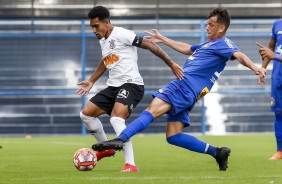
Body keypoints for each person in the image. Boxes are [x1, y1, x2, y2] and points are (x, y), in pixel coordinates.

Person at [92, 8, 266, 171]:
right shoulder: (209, 45)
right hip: (190, 92)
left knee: (151, 110)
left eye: (211, 25)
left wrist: (255, 67)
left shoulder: (224, 43)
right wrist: (164, 39)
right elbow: (187, 48)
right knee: (173, 135)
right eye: (207, 24)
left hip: (184, 85)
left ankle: (120, 140)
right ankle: (217, 152)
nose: (207, 27)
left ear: (221, 28)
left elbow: (239, 55)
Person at [76, 6, 183, 172]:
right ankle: (108, 148)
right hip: (113, 86)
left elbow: (149, 45)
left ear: (106, 22)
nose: (94, 30)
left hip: (132, 84)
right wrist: (91, 81)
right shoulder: (103, 40)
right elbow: (105, 60)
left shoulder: (122, 34)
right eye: (92, 27)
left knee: (116, 119)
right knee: (86, 114)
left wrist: (171, 63)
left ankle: (131, 164)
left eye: (96, 26)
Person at [256, 19, 282, 160]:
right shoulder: (277, 24)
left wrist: (275, 56)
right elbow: (270, 48)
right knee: (279, 113)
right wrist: (263, 68)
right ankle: (280, 151)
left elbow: (273, 54)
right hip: (278, 76)